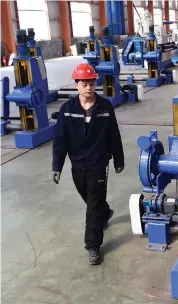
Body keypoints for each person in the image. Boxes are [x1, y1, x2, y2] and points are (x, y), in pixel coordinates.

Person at [52, 63, 124, 265]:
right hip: (78, 163)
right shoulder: (67, 110)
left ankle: (93, 246)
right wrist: (57, 166)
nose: (89, 87)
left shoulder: (105, 107)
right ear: (76, 85)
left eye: (91, 83)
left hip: (99, 162)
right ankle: (105, 211)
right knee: (88, 194)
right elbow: (60, 140)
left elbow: (114, 135)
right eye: (84, 83)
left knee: (92, 204)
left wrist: (119, 159)